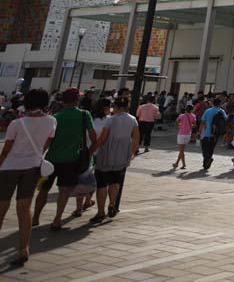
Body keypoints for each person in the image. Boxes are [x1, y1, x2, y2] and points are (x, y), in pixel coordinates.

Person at [0, 89, 56, 266]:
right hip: (32, 168)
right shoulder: (52, 121)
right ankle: (24, 248)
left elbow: (7, 149)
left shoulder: (17, 123)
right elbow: (46, 145)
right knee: (25, 208)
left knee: (2, 206)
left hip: (9, 168)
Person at [33, 87, 97, 231]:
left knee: (43, 189)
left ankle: (35, 217)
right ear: (77, 100)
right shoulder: (84, 115)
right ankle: (57, 219)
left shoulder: (55, 117)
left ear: (62, 101)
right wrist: (89, 152)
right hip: (71, 160)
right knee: (64, 191)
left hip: (50, 160)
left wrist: (39, 157)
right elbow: (94, 138)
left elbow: (47, 141)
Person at [90, 97, 139, 223]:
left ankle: (100, 212)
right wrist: (131, 153)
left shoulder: (110, 120)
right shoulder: (132, 120)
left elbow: (102, 139)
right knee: (115, 181)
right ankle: (112, 204)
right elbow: (136, 138)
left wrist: (92, 149)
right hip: (122, 156)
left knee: (102, 184)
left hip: (107, 155)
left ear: (115, 106)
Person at [198, 97, 227, 171]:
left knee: (205, 149)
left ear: (213, 103)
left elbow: (202, 122)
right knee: (211, 149)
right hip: (215, 134)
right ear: (220, 104)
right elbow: (226, 120)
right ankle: (205, 165)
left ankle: (208, 160)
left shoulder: (208, 111)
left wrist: (200, 131)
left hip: (207, 133)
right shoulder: (222, 111)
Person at [173, 103, 196, 170]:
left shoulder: (182, 115)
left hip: (181, 134)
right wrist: (189, 126)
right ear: (191, 110)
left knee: (181, 151)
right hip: (188, 134)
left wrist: (179, 126)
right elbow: (194, 125)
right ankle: (177, 163)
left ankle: (183, 164)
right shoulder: (193, 116)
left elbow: (177, 122)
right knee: (182, 150)